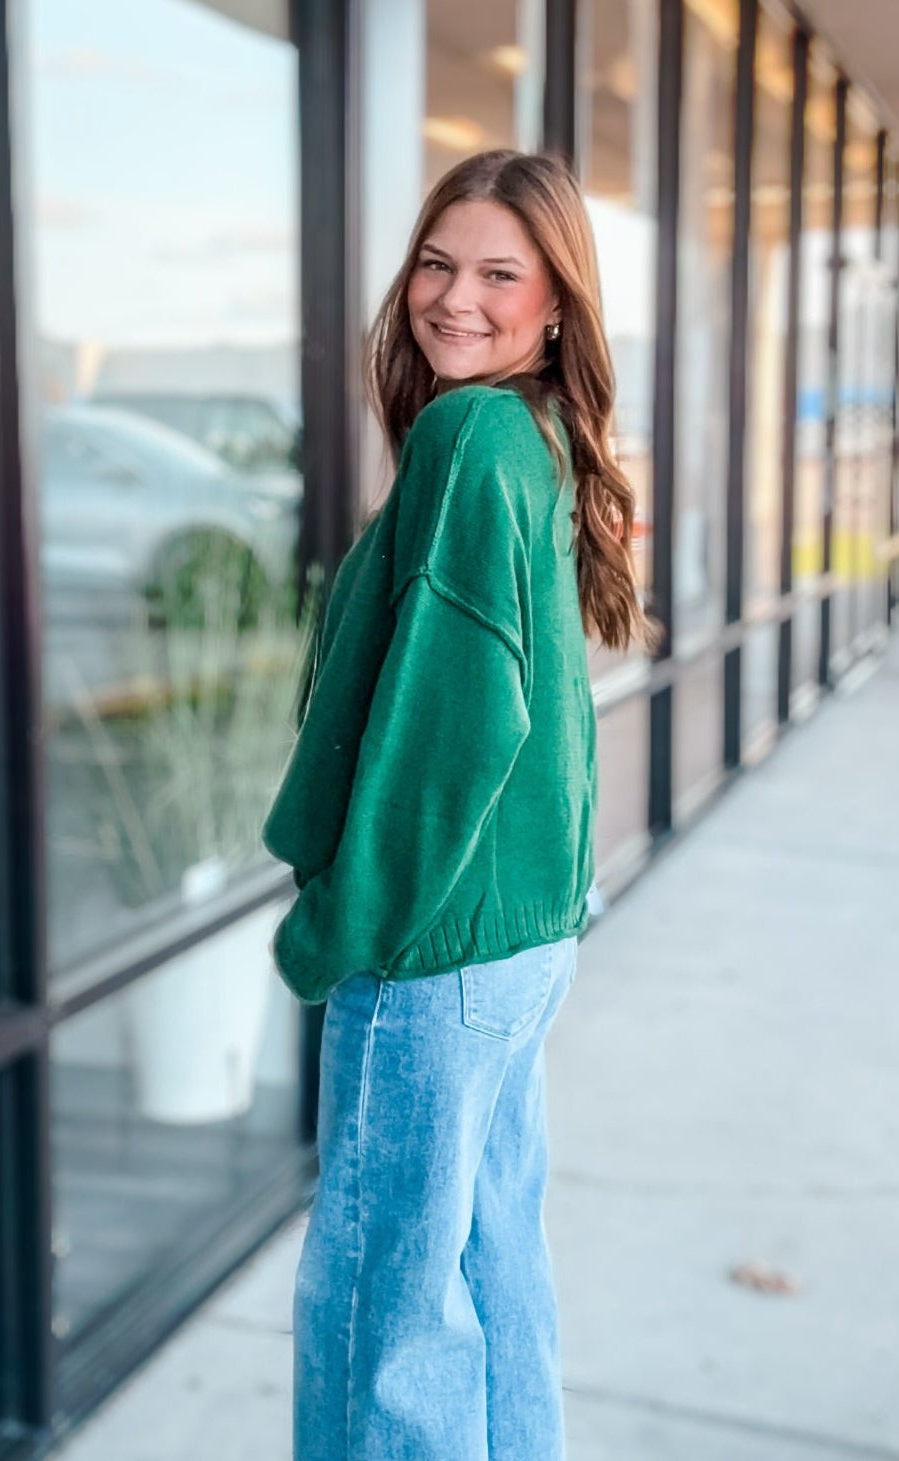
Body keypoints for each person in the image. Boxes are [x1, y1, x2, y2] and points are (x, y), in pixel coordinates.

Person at [263, 148, 659, 1461]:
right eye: (438, 262)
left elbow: (455, 719)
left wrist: (340, 920)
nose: (454, 296)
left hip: (434, 945)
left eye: (499, 272)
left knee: (384, 1308)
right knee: (492, 1272)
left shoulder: (469, 433)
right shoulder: (528, 433)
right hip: (517, 939)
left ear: (556, 303)